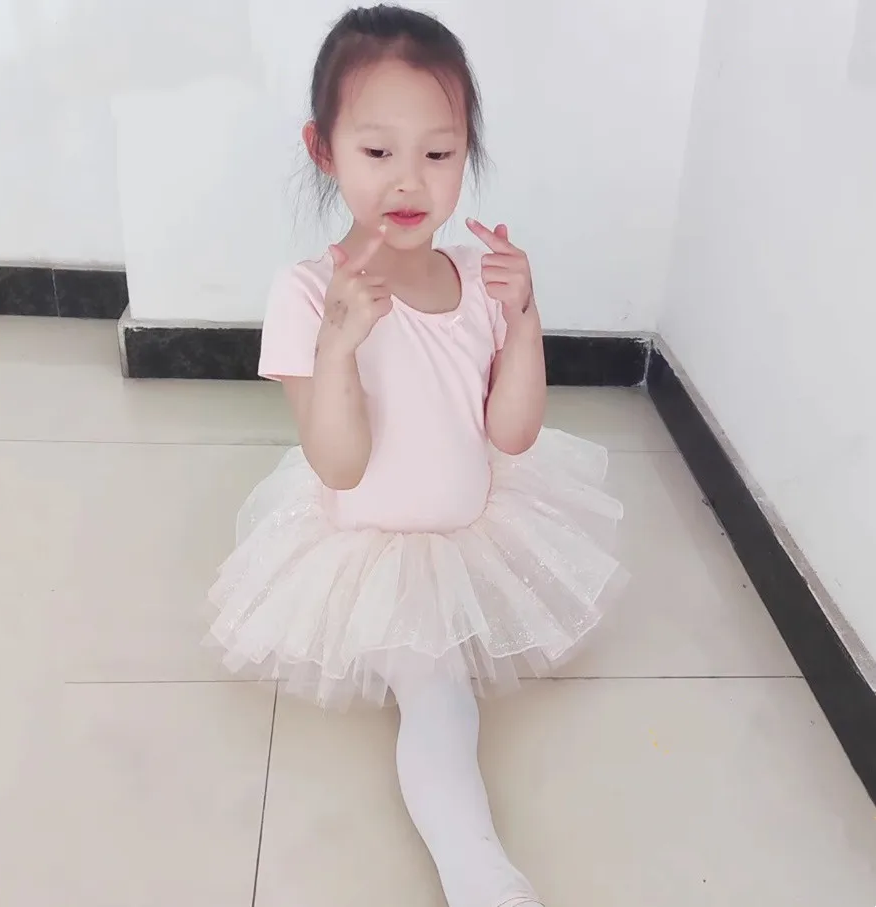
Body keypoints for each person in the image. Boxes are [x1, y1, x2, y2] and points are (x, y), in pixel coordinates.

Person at [206, 6, 627, 906]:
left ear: (467, 151)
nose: (409, 179)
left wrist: (523, 319)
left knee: (444, 682)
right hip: (373, 547)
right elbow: (338, 464)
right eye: (377, 151)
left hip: (474, 525)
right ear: (323, 150)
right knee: (438, 695)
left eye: (438, 152)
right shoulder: (307, 293)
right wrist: (338, 346)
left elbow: (511, 433)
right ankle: (481, 874)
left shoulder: (475, 277)